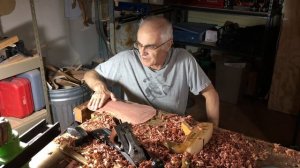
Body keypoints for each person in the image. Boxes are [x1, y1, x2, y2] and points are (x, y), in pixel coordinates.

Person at [83, 16, 220, 127]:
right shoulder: (126, 59)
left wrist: (213, 129)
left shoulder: (184, 60)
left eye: (150, 47)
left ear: (168, 44)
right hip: (135, 127)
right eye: (140, 45)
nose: (142, 52)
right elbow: (90, 74)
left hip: (172, 128)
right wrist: (99, 87)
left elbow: (210, 94)